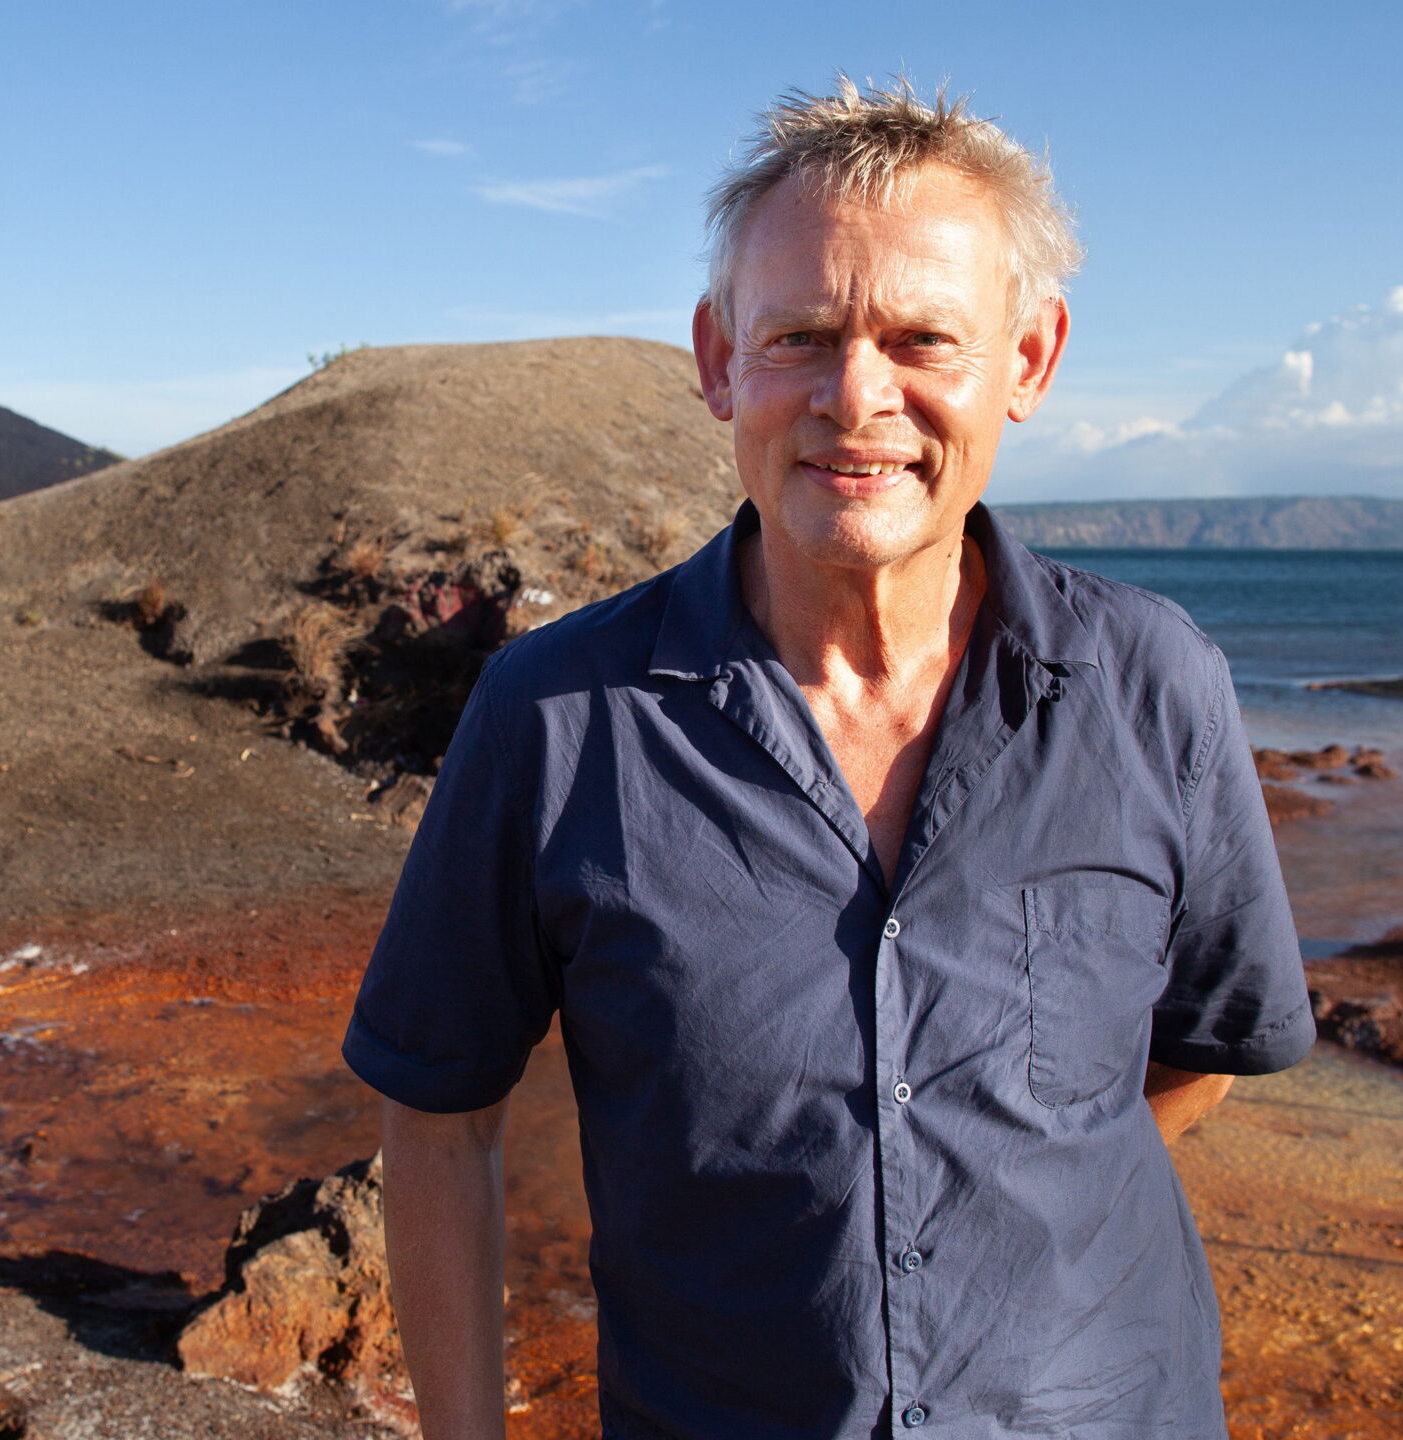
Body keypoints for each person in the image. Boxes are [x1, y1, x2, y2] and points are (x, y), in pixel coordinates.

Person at [344, 77, 1314, 1440]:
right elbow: (439, 1117)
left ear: (1029, 360)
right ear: (718, 360)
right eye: (800, 335)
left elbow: (1199, 1050)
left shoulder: (1155, 687)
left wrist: (1011, 1223)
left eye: (923, 338)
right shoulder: (557, 717)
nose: (857, 398)